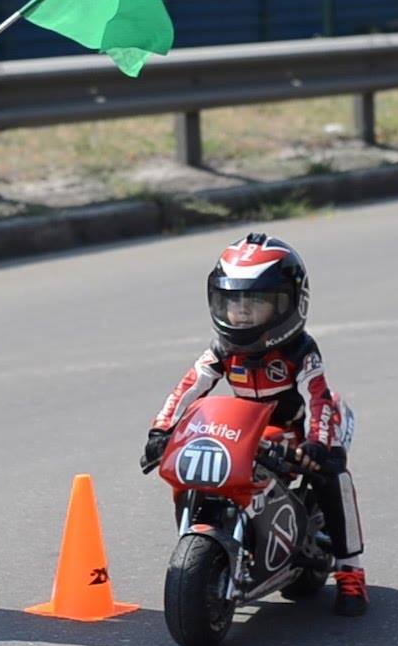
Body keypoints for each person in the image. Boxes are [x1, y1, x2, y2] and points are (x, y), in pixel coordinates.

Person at [141, 232, 369, 616]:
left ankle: (351, 571)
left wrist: (318, 445)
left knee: (334, 477)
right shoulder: (223, 348)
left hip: (296, 435)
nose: (242, 313)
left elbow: (319, 398)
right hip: (245, 427)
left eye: (257, 303)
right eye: (234, 302)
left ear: (290, 304)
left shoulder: (300, 351)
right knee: (198, 463)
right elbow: (189, 386)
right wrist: (161, 430)